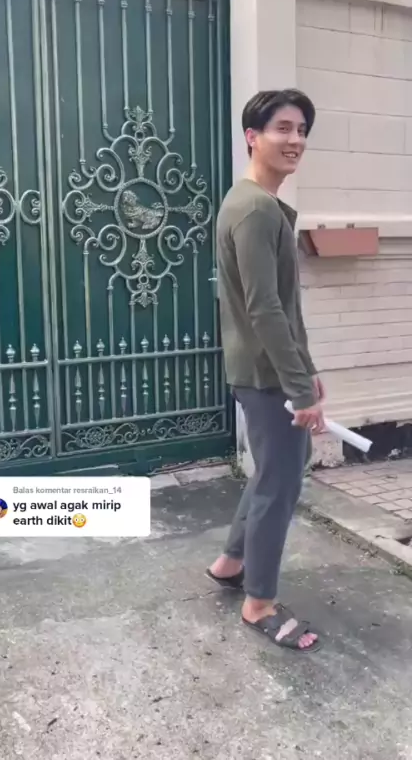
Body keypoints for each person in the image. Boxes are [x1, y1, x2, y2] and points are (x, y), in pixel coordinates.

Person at [207, 89, 325, 653]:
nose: (294, 139)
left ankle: (231, 562)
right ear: (252, 137)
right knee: (280, 485)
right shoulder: (254, 209)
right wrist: (299, 387)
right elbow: (265, 309)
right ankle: (259, 603)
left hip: (268, 369)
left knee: (277, 469)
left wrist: (308, 369)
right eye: (282, 128)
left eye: (301, 129)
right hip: (265, 374)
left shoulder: (256, 202)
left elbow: (282, 307)